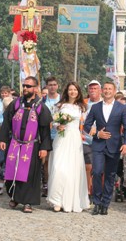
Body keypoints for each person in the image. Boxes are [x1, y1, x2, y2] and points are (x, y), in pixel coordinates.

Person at [0, 76, 53, 213]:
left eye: (28, 86)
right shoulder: (16, 103)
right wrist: (3, 139)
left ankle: (28, 202)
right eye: (24, 86)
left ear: (35, 88)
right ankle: (15, 197)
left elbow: (45, 129)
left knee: (29, 175)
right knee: (12, 171)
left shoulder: (41, 107)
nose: (25, 88)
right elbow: (6, 122)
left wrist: (44, 147)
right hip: (15, 143)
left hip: (31, 145)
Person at [83, 81, 126, 216]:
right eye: (105, 88)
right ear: (101, 91)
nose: (107, 91)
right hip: (98, 144)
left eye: (110, 89)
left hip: (114, 146)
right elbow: (86, 125)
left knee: (110, 175)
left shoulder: (122, 108)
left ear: (114, 90)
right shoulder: (95, 107)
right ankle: (97, 202)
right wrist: (97, 133)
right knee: (97, 172)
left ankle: (105, 203)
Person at [46, 82, 89, 212]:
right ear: (66, 91)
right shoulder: (60, 105)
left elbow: (86, 124)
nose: (72, 92)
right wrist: (57, 126)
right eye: (70, 89)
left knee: (72, 169)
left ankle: (70, 200)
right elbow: (53, 122)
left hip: (74, 139)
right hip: (61, 138)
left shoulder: (82, 107)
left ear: (78, 92)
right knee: (58, 168)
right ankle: (56, 200)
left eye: (75, 90)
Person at [83, 80, 103, 198]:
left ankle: (99, 191)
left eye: (95, 88)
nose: (93, 90)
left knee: (99, 169)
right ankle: (88, 191)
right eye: (91, 88)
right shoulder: (84, 103)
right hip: (85, 139)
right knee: (88, 167)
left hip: (100, 139)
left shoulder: (104, 103)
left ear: (100, 90)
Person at [41, 76, 60, 197]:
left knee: (57, 162)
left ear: (57, 86)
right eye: (50, 85)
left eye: (54, 84)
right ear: (47, 86)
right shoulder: (42, 101)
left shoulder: (62, 99)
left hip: (59, 134)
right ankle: (46, 184)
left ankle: (56, 185)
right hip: (46, 134)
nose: (52, 87)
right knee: (46, 161)